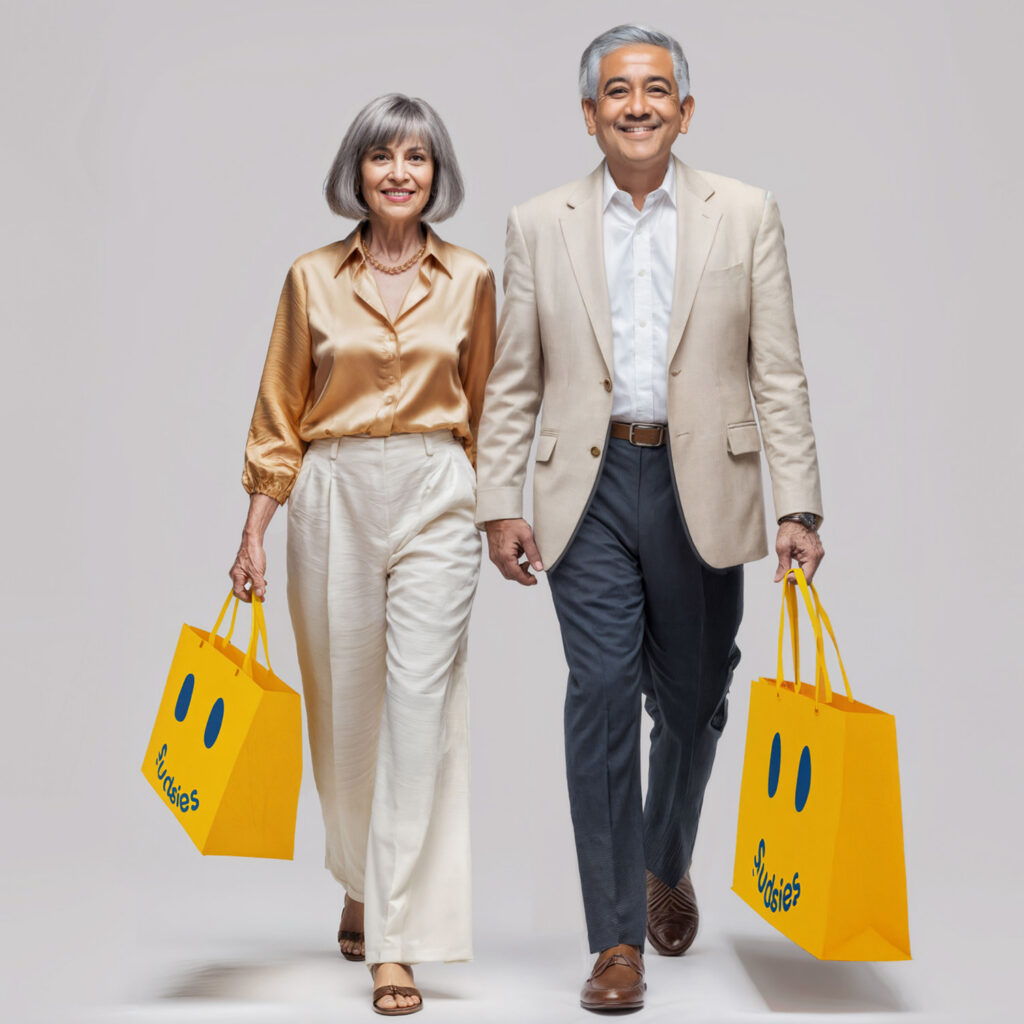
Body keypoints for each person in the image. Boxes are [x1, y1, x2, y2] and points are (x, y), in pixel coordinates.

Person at [475, 24, 824, 1012]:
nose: (637, 105)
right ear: (589, 113)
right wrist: (499, 502)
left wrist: (796, 501)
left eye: (655, 90)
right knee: (598, 692)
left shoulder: (744, 214)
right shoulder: (537, 221)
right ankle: (614, 940)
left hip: (701, 487)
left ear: (685, 109)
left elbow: (779, 370)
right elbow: (513, 380)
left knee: (691, 695)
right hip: (583, 490)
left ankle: (664, 858)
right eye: (617, 92)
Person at [230, 93, 495, 1017]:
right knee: (345, 717)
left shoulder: (470, 279)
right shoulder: (310, 278)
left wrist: (497, 518)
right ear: (357, 170)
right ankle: (356, 872)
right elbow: (277, 415)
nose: (398, 172)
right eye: (382, 156)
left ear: (437, 174)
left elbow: (491, 411)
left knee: (421, 712)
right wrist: (255, 531)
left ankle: (397, 938)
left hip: (434, 489)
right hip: (333, 489)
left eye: (416, 157)